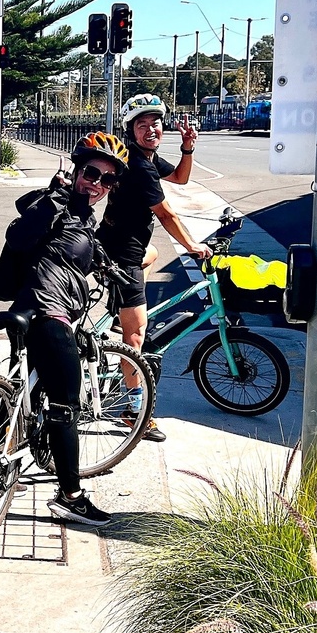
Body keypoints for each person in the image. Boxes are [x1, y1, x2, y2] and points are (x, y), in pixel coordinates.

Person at [0, 132, 130, 527]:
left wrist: (109, 268)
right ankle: (70, 496)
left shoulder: (81, 216)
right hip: (47, 312)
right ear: (75, 170)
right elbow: (22, 234)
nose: (97, 184)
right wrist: (54, 196)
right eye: (92, 173)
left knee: (27, 391)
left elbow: (76, 249)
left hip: (37, 309)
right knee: (65, 406)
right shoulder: (55, 203)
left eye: (107, 181)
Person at [98, 94, 213, 443]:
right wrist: (193, 247)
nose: (151, 129)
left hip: (124, 247)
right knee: (136, 339)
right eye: (142, 124)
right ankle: (135, 412)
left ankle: (119, 313)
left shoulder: (147, 157)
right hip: (122, 254)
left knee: (153, 253)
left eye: (155, 122)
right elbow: (166, 214)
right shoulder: (139, 165)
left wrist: (188, 148)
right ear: (130, 130)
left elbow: (180, 178)